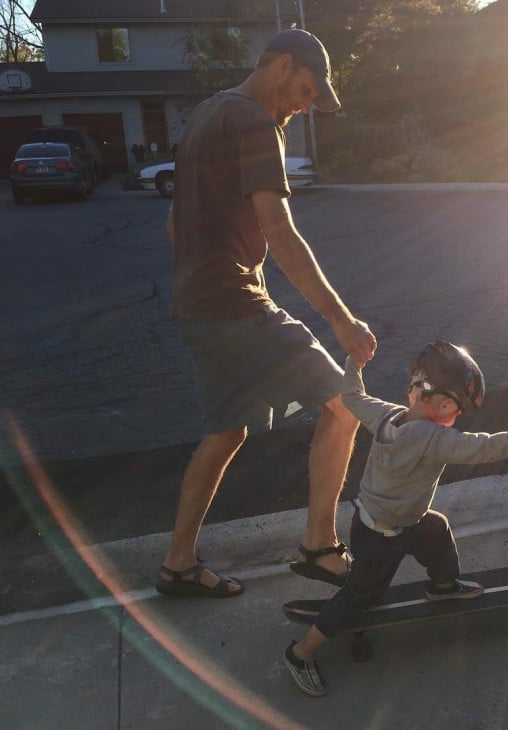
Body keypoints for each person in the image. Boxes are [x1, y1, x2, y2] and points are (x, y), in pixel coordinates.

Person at [156, 29, 377, 599]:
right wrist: (341, 319)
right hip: (235, 303)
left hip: (197, 306)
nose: (305, 105)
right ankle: (320, 547)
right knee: (345, 406)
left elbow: (174, 224)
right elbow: (282, 234)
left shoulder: (206, 115)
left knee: (225, 431)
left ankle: (178, 564)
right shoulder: (254, 123)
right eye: (305, 89)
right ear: (281, 67)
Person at [284, 341, 508, 696]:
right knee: (359, 599)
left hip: (394, 522)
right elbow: (488, 447)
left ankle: (443, 585)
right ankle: (300, 653)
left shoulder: (385, 414)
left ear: (414, 391)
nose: (457, 417)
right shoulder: (435, 438)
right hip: (381, 539)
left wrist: (353, 363)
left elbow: (352, 396)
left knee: (436, 528)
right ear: (444, 404)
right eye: (458, 409)